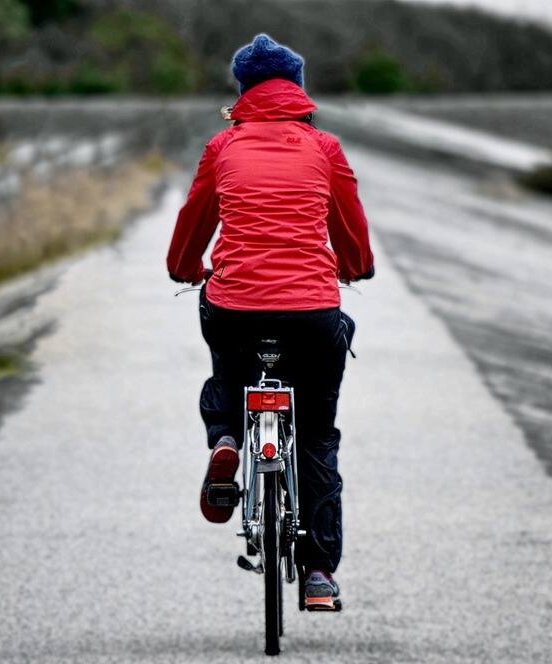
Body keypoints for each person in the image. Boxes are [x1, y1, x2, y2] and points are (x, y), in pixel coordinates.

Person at [166, 33, 374, 610]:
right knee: (315, 435)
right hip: (311, 313)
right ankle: (318, 575)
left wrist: (184, 269)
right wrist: (357, 267)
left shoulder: (221, 147)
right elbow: (350, 228)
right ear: (298, 90)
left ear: (244, 92)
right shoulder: (325, 148)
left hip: (235, 308)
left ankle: (228, 438)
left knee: (227, 379)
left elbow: (193, 223)